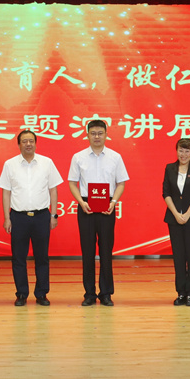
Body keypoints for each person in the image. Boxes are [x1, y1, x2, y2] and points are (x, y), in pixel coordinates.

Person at [68, 119, 129, 307]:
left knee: (106, 251)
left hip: (107, 207)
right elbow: (72, 183)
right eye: (93, 133)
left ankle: (106, 293)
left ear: (106, 135)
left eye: (100, 133)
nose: (96, 136)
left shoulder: (115, 157)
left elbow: (121, 183)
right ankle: (89, 293)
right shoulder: (78, 157)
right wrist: (81, 202)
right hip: (85, 206)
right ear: (87, 135)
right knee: (87, 252)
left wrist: (113, 202)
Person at [0, 130, 63, 306]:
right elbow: (6, 192)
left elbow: (53, 190)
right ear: (19, 144)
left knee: (42, 257)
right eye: (24, 141)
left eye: (31, 141)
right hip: (18, 217)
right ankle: (21, 294)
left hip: (42, 216)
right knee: (18, 258)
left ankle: (41, 294)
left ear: (36, 143)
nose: (28, 144)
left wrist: (53, 215)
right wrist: (7, 218)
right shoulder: (10, 164)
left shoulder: (47, 163)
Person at [162, 137, 190, 306]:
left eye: (187, 151)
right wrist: (176, 214)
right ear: (176, 151)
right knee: (178, 257)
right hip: (174, 219)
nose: (184, 154)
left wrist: (187, 214)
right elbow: (166, 193)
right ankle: (180, 292)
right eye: (181, 150)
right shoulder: (170, 168)